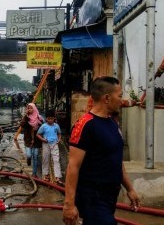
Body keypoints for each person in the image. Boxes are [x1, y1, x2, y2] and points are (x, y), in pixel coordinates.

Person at [63, 76, 140, 225]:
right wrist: (69, 204)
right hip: (92, 196)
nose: (121, 100)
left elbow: (116, 160)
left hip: (110, 195)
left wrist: (130, 189)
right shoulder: (85, 125)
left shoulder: (112, 122)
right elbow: (73, 166)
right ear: (106, 98)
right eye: (119, 95)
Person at [37, 109, 63, 185]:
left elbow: (59, 133)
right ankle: (46, 175)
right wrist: (43, 139)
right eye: (48, 118)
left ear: (54, 118)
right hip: (46, 144)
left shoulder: (56, 126)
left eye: (52, 118)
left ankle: (57, 177)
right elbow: (38, 134)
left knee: (56, 160)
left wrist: (59, 139)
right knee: (46, 159)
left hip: (54, 144)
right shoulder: (43, 126)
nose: (50, 120)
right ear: (46, 118)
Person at [20, 103, 44, 178]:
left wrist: (38, 127)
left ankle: (34, 173)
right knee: (29, 155)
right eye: (28, 108)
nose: (29, 109)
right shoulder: (26, 117)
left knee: (35, 156)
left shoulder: (39, 117)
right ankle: (28, 158)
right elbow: (22, 125)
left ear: (34, 108)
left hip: (36, 140)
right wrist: (26, 117)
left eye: (31, 108)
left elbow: (43, 126)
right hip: (28, 139)